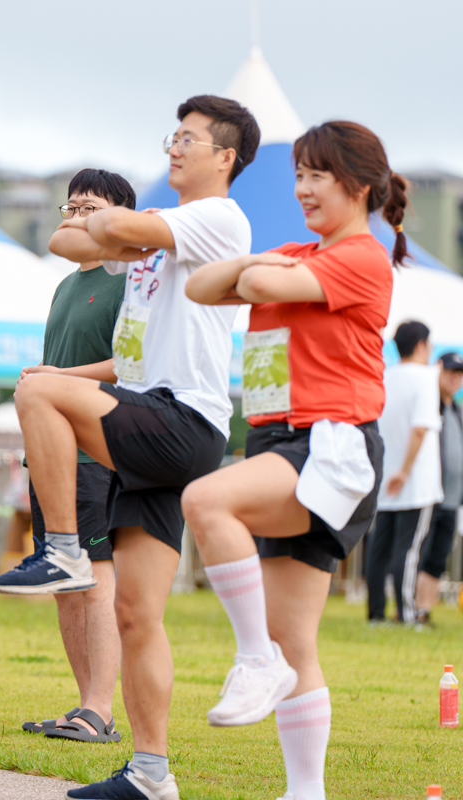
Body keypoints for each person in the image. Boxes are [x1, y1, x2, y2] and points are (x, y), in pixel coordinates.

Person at [24, 95, 258, 799]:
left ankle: (63, 549)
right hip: (152, 419)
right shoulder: (159, 239)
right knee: (136, 614)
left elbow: (112, 231)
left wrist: (110, 225)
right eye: (171, 137)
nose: (174, 148)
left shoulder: (217, 217)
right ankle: (151, 772)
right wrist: (99, 228)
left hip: (177, 416)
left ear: (225, 157)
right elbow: (69, 245)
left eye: (188, 139)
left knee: (39, 390)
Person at [183, 119, 401, 800]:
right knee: (294, 641)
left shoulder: (362, 257)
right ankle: (306, 790)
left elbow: (253, 288)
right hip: (278, 440)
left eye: (317, 176)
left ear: (357, 186)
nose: (303, 189)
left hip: (330, 442)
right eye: (299, 175)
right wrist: (260, 264)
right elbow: (201, 287)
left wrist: (258, 272)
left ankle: (253, 660)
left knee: (205, 500)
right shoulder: (292, 254)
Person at [0, 168, 136, 746]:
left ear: (118, 217)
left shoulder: (128, 281)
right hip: (53, 457)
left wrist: (56, 378)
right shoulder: (66, 285)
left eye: (88, 208)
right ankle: (85, 705)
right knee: (64, 581)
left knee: (94, 578)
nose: (74, 217)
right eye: (69, 207)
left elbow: (132, 365)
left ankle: (101, 709)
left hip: (98, 453)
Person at [367, 320, 441, 625]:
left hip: (386, 478)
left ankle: (375, 613)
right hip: (414, 480)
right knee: (408, 551)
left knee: (379, 548)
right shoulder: (425, 378)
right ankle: (408, 613)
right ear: (421, 345)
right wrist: (406, 470)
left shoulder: (385, 377)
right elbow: (420, 428)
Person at [414, 352, 463, 625]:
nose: (455, 378)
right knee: (419, 554)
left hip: (453, 499)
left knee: (437, 558)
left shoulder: (457, 411)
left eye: (459, 373)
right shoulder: (429, 408)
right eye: (451, 371)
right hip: (428, 495)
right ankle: (408, 608)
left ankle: (424, 610)